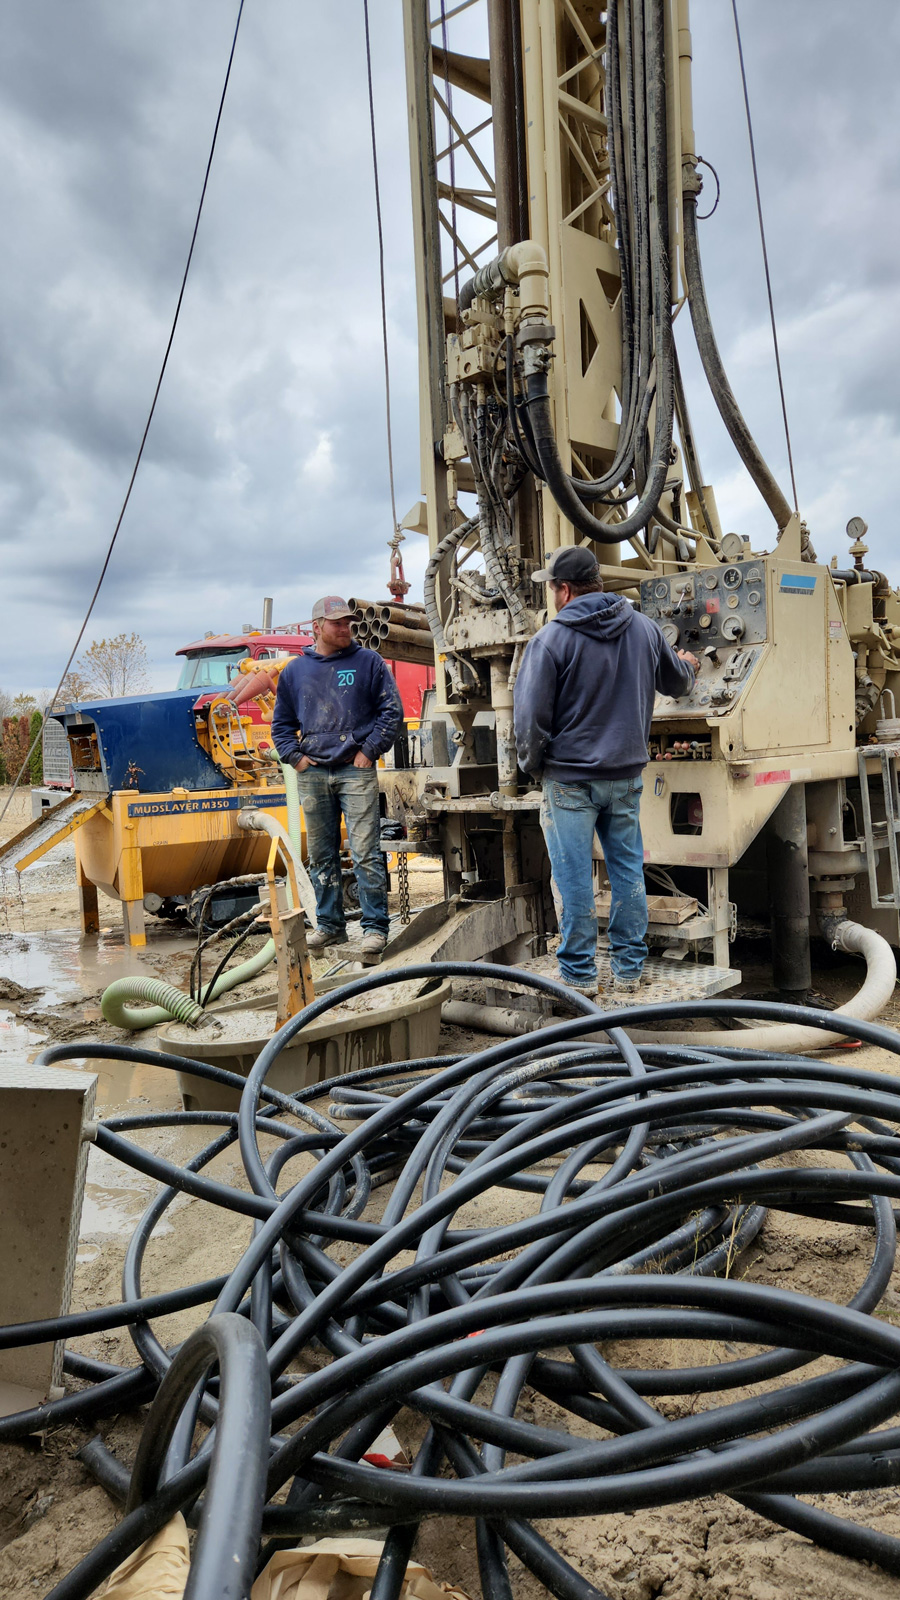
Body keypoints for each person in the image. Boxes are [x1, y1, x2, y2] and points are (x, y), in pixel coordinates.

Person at [514, 546, 699, 997]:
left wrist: (534, 767)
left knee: (574, 879)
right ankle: (629, 970)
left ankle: (579, 976)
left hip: (569, 780)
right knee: (628, 872)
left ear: (564, 590)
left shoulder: (550, 641)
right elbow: (677, 682)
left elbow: (530, 721)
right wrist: (690, 666)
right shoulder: (644, 628)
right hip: (625, 778)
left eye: (551, 588)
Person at [271, 595, 403, 961]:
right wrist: (296, 759)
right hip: (313, 773)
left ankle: (375, 929)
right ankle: (329, 926)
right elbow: (281, 726)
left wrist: (369, 751)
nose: (345, 628)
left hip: (354, 770)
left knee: (365, 852)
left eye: (348, 622)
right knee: (321, 854)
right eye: (337, 623)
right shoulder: (295, 672)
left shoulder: (368, 662)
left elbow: (392, 712)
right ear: (317, 627)